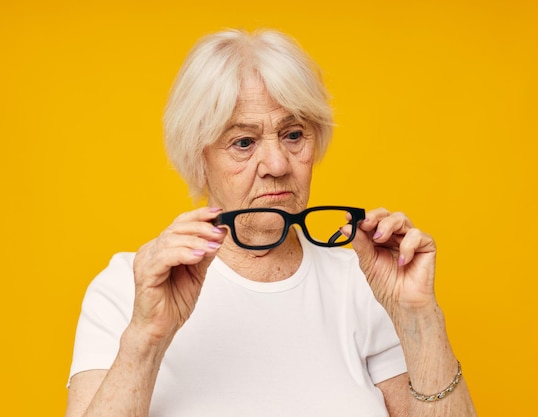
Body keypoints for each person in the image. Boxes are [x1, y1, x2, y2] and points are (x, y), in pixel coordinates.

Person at [65, 29, 477, 417]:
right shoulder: (127, 289)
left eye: (294, 134)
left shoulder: (365, 282)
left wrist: (420, 316)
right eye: (243, 142)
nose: (278, 165)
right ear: (198, 157)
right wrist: (146, 338)